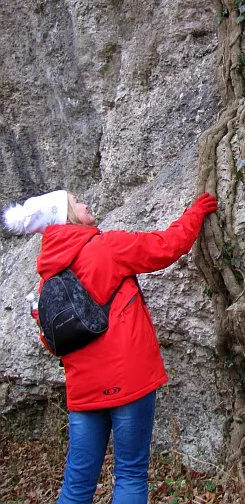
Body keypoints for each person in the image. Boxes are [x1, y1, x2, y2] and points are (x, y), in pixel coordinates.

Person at [3, 188, 218, 504]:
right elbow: (167, 246)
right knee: (130, 475)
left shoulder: (46, 278)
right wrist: (196, 212)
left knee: (76, 487)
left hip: (83, 389)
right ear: (66, 215)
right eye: (76, 201)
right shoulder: (106, 246)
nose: (85, 203)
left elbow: (51, 342)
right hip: (129, 380)